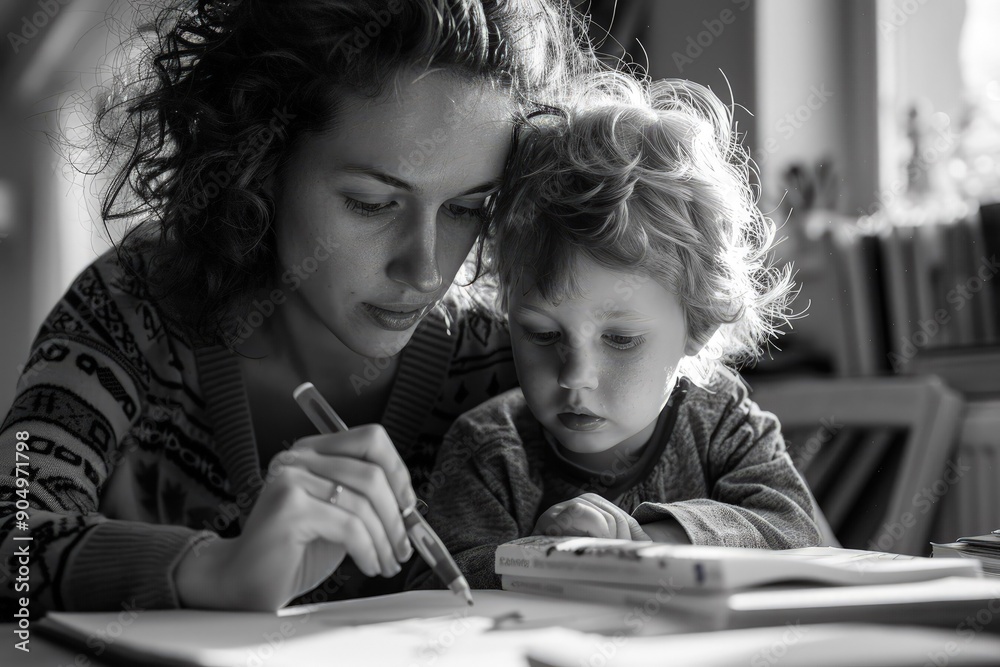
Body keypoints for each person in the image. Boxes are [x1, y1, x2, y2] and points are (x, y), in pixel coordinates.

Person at [0, 0, 599, 613]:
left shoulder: (516, 350)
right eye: (371, 203)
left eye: (467, 209)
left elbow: (700, 460)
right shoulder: (132, 300)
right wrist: (214, 570)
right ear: (260, 165)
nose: (425, 271)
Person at [409, 73, 823, 589]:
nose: (575, 376)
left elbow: (799, 533)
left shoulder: (722, 424)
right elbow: (436, 587)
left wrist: (648, 544)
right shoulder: (490, 449)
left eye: (620, 339)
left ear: (699, 326)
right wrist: (539, 557)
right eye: (541, 334)